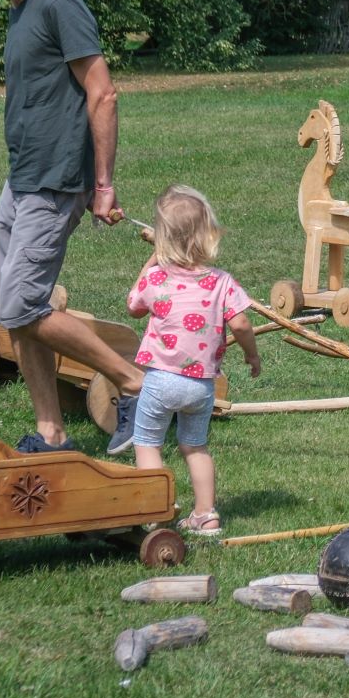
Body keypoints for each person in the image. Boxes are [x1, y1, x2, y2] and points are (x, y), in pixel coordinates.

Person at [0, 0, 148, 455]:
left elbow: (103, 92)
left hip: (56, 180)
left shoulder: (58, 3)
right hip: (22, 176)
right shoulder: (21, 9)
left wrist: (102, 184)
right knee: (10, 310)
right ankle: (51, 431)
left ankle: (135, 385)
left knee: (23, 304)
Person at [126, 186, 259, 537]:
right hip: (202, 385)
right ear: (208, 235)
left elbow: (134, 305)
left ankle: (154, 512)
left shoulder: (156, 278)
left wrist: (153, 259)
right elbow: (242, 323)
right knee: (194, 446)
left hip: (160, 382)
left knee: (148, 443)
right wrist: (251, 353)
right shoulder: (221, 282)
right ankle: (206, 514)